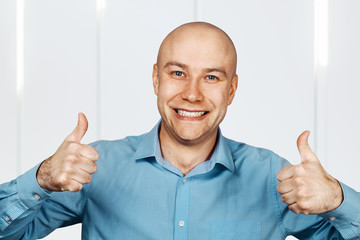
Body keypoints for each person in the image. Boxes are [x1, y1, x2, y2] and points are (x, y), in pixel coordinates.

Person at [0, 22, 359, 240]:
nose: (192, 93)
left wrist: (340, 200)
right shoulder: (96, 167)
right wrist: (42, 177)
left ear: (231, 90)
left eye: (212, 77)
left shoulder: (271, 176)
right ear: (156, 78)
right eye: (177, 73)